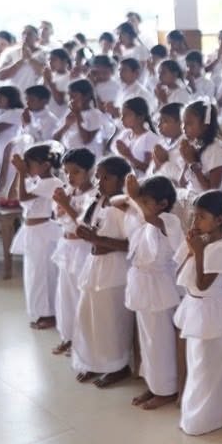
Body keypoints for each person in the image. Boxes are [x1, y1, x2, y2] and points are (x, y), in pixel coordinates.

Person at [175, 190, 222, 435]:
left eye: (201, 217)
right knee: (198, 365)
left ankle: (213, 416)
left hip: (213, 313)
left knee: (210, 368)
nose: (194, 223)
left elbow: (203, 283)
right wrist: (192, 250)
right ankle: (200, 414)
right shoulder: (203, 242)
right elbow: (181, 276)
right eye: (194, 217)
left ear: (219, 220)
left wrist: (197, 252)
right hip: (197, 309)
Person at [70, 155, 135, 388]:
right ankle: (95, 362)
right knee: (89, 317)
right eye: (98, 177)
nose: (99, 182)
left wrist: (97, 239)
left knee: (111, 321)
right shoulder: (99, 201)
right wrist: (88, 236)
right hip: (94, 266)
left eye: (106, 177)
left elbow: (131, 245)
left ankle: (118, 366)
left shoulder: (125, 206)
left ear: (121, 180)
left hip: (115, 269)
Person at [123, 174, 184, 410]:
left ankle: (167, 390)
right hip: (142, 283)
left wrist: (134, 196)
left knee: (160, 341)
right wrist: (134, 197)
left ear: (163, 204)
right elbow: (137, 212)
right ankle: (154, 384)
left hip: (160, 286)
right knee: (147, 340)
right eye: (143, 201)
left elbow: (149, 216)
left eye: (147, 201)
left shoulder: (169, 221)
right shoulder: (146, 218)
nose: (142, 206)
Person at [49, 148, 97, 357]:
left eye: (76, 172)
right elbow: (60, 217)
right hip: (66, 246)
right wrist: (60, 207)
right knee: (65, 295)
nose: (70, 177)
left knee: (81, 296)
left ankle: (83, 341)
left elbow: (85, 223)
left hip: (83, 248)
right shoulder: (68, 191)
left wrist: (66, 206)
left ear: (89, 171)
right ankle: (68, 336)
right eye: (66, 172)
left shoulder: (94, 194)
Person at [11, 142, 64, 330]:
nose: (28, 167)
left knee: (43, 274)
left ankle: (49, 313)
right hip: (32, 232)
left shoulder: (52, 182)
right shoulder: (37, 181)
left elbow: (23, 198)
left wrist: (20, 172)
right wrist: (22, 173)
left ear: (46, 165)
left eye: (31, 164)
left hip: (43, 233)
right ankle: (39, 311)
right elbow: (15, 195)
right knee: (33, 274)